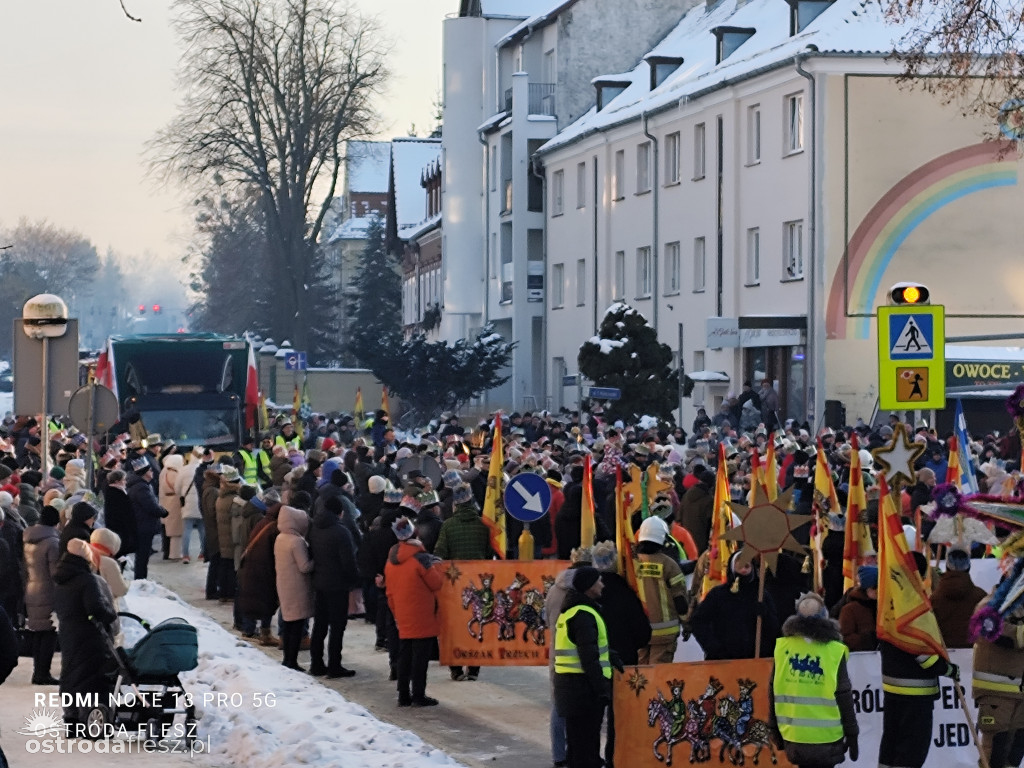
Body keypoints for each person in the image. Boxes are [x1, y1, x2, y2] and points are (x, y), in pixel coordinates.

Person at [878, 551, 959, 768]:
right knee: (912, 749)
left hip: (892, 686)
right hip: (916, 693)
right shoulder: (914, 605)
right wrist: (949, 670)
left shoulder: (890, 599)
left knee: (891, 742)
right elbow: (923, 653)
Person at [768, 592, 859, 768]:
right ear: (824, 616)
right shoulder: (834, 651)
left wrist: (774, 729)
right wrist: (852, 733)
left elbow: (774, 690)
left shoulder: (783, 648)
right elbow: (844, 696)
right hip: (828, 738)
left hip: (794, 737)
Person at [553, 566, 621, 768]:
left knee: (576, 748)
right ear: (589, 586)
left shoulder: (572, 610)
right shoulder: (584, 614)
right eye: (598, 581)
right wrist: (602, 689)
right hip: (584, 691)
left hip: (571, 689)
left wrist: (612, 657)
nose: (602, 584)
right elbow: (588, 657)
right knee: (587, 750)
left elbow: (590, 648)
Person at [591, 541, 650, 768]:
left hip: (593, 665)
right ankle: (614, 757)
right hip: (623, 664)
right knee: (620, 716)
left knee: (593, 717)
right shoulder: (627, 593)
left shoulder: (587, 594)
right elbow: (643, 633)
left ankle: (590, 757)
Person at [53, 538, 118, 729]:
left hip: (68, 633)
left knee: (71, 672)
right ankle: (92, 717)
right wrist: (109, 615)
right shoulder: (87, 580)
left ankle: (71, 717)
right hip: (89, 636)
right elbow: (96, 607)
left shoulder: (61, 579)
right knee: (91, 676)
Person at [434, 482, 493, 681]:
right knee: (478, 624)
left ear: (456, 504)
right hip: (478, 581)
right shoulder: (483, 525)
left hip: (455, 584)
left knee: (455, 626)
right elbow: (489, 553)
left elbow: (439, 554)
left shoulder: (448, 526)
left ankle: (456, 668)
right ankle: (474, 668)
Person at [385, 515, 443, 707]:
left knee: (405, 656)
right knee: (420, 658)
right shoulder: (420, 559)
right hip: (422, 615)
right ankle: (418, 694)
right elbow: (436, 583)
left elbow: (389, 591)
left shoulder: (391, 560)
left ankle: (403, 694)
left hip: (401, 612)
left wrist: (395, 613)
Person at [971, 563, 1024, 768]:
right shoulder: (988, 606)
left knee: (1014, 753)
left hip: (1018, 692)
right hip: (997, 693)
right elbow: (1001, 634)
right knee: (995, 752)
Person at [691, 551, 779, 660]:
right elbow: (698, 621)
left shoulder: (761, 595)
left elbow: (775, 629)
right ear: (732, 568)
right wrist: (714, 648)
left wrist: (765, 615)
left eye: (746, 566)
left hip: (755, 661)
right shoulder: (718, 594)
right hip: (723, 661)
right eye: (740, 566)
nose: (743, 570)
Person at [308, 495, 359, 678]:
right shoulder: (341, 532)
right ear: (340, 512)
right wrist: (354, 581)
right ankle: (334, 665)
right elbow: (348, 562)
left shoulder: (314, 528)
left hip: (320, 583)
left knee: (320, 625)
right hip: (338, 585)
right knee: (337, 627)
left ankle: (316, 663)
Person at [633, 517, 686, 664]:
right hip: (665, 633)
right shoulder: (670, 565)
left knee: (640, 679)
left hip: (640, 630)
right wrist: (687, 624)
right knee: (658, 677)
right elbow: (680, 600)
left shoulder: (633, 563)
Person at [22, 505, 60, 684]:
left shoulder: (28, 539)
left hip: (31, 589)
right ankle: (42, 673)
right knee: (49, 633)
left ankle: (38, 671)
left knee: (38, 633)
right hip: (47, 593)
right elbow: (55, 573)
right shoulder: (52, 542)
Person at [274, 505, 314, 670]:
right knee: (297, 626)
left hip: (284, 584)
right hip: (297, 587)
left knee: (289, 623)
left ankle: (287, 658)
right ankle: (292, 660)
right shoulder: (296, 541)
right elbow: (304, 566)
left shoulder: (280, 538)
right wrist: (316, 560)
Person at [931, 549, 986, 649]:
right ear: (968, 567)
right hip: (973, 653)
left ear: (947, 567)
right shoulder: (981, 597)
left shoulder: (934, 598)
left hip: (944, 653)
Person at [126, 457, 168, 579]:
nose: (152, 473)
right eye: (150, 471)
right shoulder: (141, 488)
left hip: (141, 524)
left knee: (142, 555)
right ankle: (140, 579)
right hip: (143, 525)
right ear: (145, 473)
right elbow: (151, 506)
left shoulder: (139, 485)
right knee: (142, 556)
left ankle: (141, 578)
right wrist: (163, 512)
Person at [838, 565, 878, 651]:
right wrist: (869, 639)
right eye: (875, 587)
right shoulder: (849, 609)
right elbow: (844, 638)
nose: (878, 591)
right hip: (861, 658)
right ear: (866, 588)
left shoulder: (883, 605)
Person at [102, 469, 136, 558]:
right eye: (123, 480)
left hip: (118, 527)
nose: (125, 482)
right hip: (119, 527)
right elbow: (125, 511)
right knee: (120, 551)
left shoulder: (112, 491)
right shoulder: (116, 493)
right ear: (117, 481)